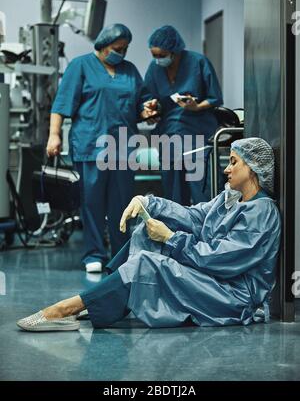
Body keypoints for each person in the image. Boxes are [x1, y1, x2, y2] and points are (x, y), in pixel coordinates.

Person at [17, 138, 281, 331]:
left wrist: (170, 238)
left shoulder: (261, 212)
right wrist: (149, 203)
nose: (226, 169)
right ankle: (101, 295)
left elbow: (220, 260)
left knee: (147, 263)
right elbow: (195, 216)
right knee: (145, 233)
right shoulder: (231, 198)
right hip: (214, 276)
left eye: (234, 162)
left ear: (253, 169)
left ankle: (68, 308)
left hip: (232, 295)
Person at [47, 23, 155, 273]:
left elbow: (140, 103)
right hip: (90, 145)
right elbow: (61, 104)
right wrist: (54, 135)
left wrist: (147, 110)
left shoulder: (129, 71)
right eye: (118, 48)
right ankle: (93, 254)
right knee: (92, 203)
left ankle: (121, 255)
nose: (122, 53)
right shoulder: (80, 66)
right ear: (104, 46)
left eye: (126, 48)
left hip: (123, 148)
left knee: (122, 205)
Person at [143, 25, 223, 205]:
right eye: (154, 56)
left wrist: (197, 107)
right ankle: (176, 233)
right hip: (169, 138)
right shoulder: (154, 69)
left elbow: (215, 98)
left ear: (174, 51)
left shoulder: (198, 62)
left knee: (204, 194)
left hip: (198, 137)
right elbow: (148, 96)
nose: (157, 60)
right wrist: (152, 107)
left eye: (161, 55)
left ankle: (207, 232)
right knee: (173, 197)